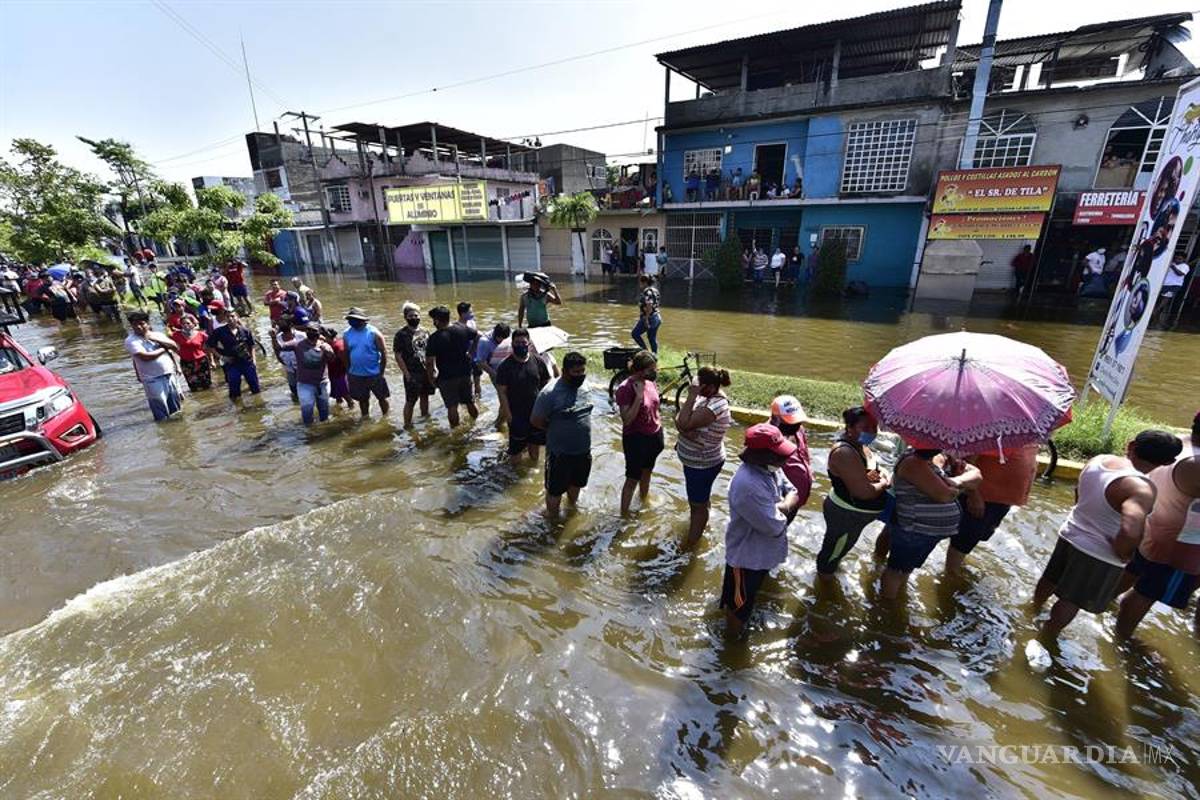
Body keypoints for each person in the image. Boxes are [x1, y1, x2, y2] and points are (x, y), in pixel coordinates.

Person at [1032, 431, 1181, 639]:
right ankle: (1047, 636)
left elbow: (1078, 491)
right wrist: (1124, 552)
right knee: (1072, 600)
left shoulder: (1099, 460)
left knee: (1050, 579)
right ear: (1169, 461)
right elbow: (1130, 529)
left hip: (1070, 532)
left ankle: (1033, 609)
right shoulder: (1141, 487)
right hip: (1099, 552)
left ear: (1131, 445)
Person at [1115, 414, 1200, 638]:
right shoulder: (1196, 465)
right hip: (1178, 544)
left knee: (1132, 572)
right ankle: (1121, 638)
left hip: (1153, 527)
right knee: (1147, 591)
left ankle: (1098, 601)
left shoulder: (1181, 444)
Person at [721, 424, 804, 638]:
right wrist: (786, 505)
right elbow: (775, 526)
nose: (785, 459)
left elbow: (792, 491)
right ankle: (732, 642)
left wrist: (782, 505)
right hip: (746, 559)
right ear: (761, 456)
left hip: (762, 553)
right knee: (738, 607)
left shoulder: (771, 467)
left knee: (748, 598)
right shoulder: (748, 485)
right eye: (780, 455)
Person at [879, 448, 982, 601]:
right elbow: (945, 495)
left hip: (929, 532)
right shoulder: (912, 461)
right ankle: (887, 606)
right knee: (895, 570)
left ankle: (898, 598)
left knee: (906, 569)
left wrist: (957, 481)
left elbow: (977, 476)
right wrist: (958, 486)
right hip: (913, 529)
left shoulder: (943, 458)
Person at [817, 407, 891, 581]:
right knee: (831, 555)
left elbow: (865, 473)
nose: (872, 431)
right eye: (865, 427)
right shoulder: (845, 452)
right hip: (846, 515)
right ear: (849, 428)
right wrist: (885, 483)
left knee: (839, 548)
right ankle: (824, 588)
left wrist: (879, 475)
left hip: (853, 515)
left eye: (875, 427)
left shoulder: (859, 445)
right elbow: (864, 493)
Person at [945, 444, 1039, 576]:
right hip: (983, 499)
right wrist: (974, 495)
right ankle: (950, 575)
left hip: (1002, 499)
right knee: (964, 540)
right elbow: (965, 464)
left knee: (975, 537)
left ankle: (956, 566)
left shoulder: (1026, 430)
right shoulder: (991, 430)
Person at [675, 366, 732, 546]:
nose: (695, 387)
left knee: (697, 506)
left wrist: (691, 397)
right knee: (701, 499)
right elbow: (681, 421)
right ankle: (702, 528)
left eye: (699, 385)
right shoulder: (708, 397)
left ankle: (691, 545)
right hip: (700, 460)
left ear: (709, 386)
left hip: (702, 463)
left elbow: (681, 421)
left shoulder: (713, 406)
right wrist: (684, 430)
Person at [531, 351, 592, 517]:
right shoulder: (549, 393)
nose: (580, 375)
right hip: (560, 453)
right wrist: (556, 429)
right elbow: (536, 420)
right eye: (576, 372)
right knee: (554, 490)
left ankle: (571, 510)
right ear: (565, 371)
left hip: (583, 451)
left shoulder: (585, 386)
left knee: (577, 484)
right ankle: (552, 520)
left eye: (582, 371)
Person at [615, 350, 664, 515]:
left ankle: (644, 500)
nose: (655, 372)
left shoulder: (650, 382)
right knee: (632, 479)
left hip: (654, 437)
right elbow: (627, 419)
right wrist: (638, 396)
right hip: (636, 440)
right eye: (652, 369)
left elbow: (656, 406)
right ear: (640, 370)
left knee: (647, 473)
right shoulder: (625, 388)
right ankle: (624, 514)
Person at [496, 327, 551, 465]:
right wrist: (508, 416)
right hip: (517, 416)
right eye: (517, 343)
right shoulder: (505, 366)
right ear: (512, 344)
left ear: (529, 344)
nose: (520, 345)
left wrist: (547, 410)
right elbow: (502, 392)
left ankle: (532, 473)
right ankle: (515, 479)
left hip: (536, 414)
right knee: (516, 453)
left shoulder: (538, 361)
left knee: (535, 448)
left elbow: (547, 384)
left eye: (523, 343)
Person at [424, 305, 479, 428]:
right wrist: (472, 352)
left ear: (437, 320)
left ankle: (455, 432)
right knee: (470, 401)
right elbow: (478, 336)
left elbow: (429, 362)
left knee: (452, 407)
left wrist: (431, 379)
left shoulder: (434, 338)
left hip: (446, 377)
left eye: (434, 320)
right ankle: (476, 424)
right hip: (465, 373)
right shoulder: (462, 329)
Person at [124, 311, 184, 421]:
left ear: (147, 323)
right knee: (159, 406)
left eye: (142, 323)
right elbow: (145, 357)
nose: (139, 327)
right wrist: (164, 348)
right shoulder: (131, 340)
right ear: (131, 325)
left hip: (168, 373)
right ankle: (164, 429)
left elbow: (175, 347)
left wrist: (155, 339)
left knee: (175, 406)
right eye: (135, 324)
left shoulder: (158, 335)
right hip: (151, 378)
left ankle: (178, 428)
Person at [281, 322, 335, 426]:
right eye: (308, 330)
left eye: (314, 331)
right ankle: (309, 430)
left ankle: (325, 429)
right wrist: (274, 338)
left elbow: (332, 359)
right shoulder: (298, 344)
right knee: (307, 409)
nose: (310, 332)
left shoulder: (324, 345)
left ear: (319, 333)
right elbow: (280, 347)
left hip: (322, 383)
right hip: (305, 384)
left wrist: (328, 352)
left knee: (324, 410)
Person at [342, 307, 390, 418]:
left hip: (374, 373)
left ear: (362, 320)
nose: (350, 322)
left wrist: (381, 372)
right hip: (356, 374)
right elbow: (346, 353)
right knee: (362, 400)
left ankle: (386, 418)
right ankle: (365, 418)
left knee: (381, 398)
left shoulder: (374, 333)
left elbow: (384, 353)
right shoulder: (347, 334)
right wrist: (348, 370)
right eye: (349, 319)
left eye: (353, 319)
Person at [392, 301, 433, 427]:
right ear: (405, 317)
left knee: (425, 396)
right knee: (410, 400)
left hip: (426, 371)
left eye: (416, 315)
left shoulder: (425, 331)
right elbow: (398, 356)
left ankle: (425, 419)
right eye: (411, 316)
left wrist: (433, 369)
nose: (414, 318)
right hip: (412, 372)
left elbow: (431, 352)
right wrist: (407, 374)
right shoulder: (401, 334)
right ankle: (407, 425)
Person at [769, 395, 813, 507]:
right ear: (775, 419)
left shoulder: (798, 429)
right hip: (780, 500)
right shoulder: (767, 439)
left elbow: (804, 453)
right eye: (790, 421)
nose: (796, 424)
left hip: (797, 497)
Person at [208, 311, 261, 401]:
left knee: (255, 388)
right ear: (225, 319)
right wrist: (221, 357)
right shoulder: (219, 332)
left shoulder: (245, 331)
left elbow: (251, 346)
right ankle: (238, 409)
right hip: (231, 364)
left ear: (237, 317)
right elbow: (208, 346)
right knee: (234, 390)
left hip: (247, 362)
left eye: (232, 316)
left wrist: (254, 361)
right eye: (228, 317)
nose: (230, 318)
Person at [170, 315, 212, 392]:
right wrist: (178, 355)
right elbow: (171, 347)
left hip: (202, 361)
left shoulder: (201, 334)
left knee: (206, 385)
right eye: (183, 324)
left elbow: (208, 348)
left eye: (188, 323)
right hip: (186, 363)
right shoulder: (176, 335)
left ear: (193, 324)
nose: (186, 325)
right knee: (193, 387)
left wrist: (212, 361)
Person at [474, 322, 509, 400]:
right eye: (501, 339)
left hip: (506, 367)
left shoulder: (505, 336)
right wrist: (495, 375)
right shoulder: (484, 342)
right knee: (503, 396)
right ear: (496, 335)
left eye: (505, 339)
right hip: (494, 370)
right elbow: (480, 362)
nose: (503, 341)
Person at [272, 315, 302, 402]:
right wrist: (278, 358)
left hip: (301, 365)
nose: (280, 324)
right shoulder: (278, 337)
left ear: (290, 325)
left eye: (283, 322)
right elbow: (276, 349)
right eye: (280, 322)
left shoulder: (301, 335)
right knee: (292, 386)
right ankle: (296, 402)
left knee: (304, 385)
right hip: (288, 366)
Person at [632, 275, 661, 354]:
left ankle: (646, 352)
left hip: (650, 317)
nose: (640, 284)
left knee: (635, 334)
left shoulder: (647, 291)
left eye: (640, 282)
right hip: (657, 317)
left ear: (644, 282)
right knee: (652, 338)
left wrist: (646, 319)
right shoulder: (655, 290)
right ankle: (654, 356)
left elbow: (649, 304)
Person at [325, 327, 350, 407]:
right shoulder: (331, 345)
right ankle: (339, 410)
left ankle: (351, 409)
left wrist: (348, 374)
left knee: (346, 395)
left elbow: (345, 361)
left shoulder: (338, 346)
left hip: (340, 375)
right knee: (337, 396)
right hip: (333, 374)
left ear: (328, 337)